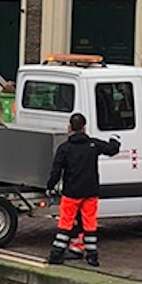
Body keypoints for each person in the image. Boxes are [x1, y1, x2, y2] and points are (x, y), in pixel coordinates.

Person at [46, 113, 120, 266]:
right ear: (84, 127)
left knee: (65, 223)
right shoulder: (93, 145)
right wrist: (115, 140)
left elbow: (56, 170)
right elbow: (112, 149)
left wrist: (50, 186)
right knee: (90, 223)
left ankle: (56, 254)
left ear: (69, 128)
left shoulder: (65, 148)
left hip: (71, 193)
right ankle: (92, 256)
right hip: (90, 192)